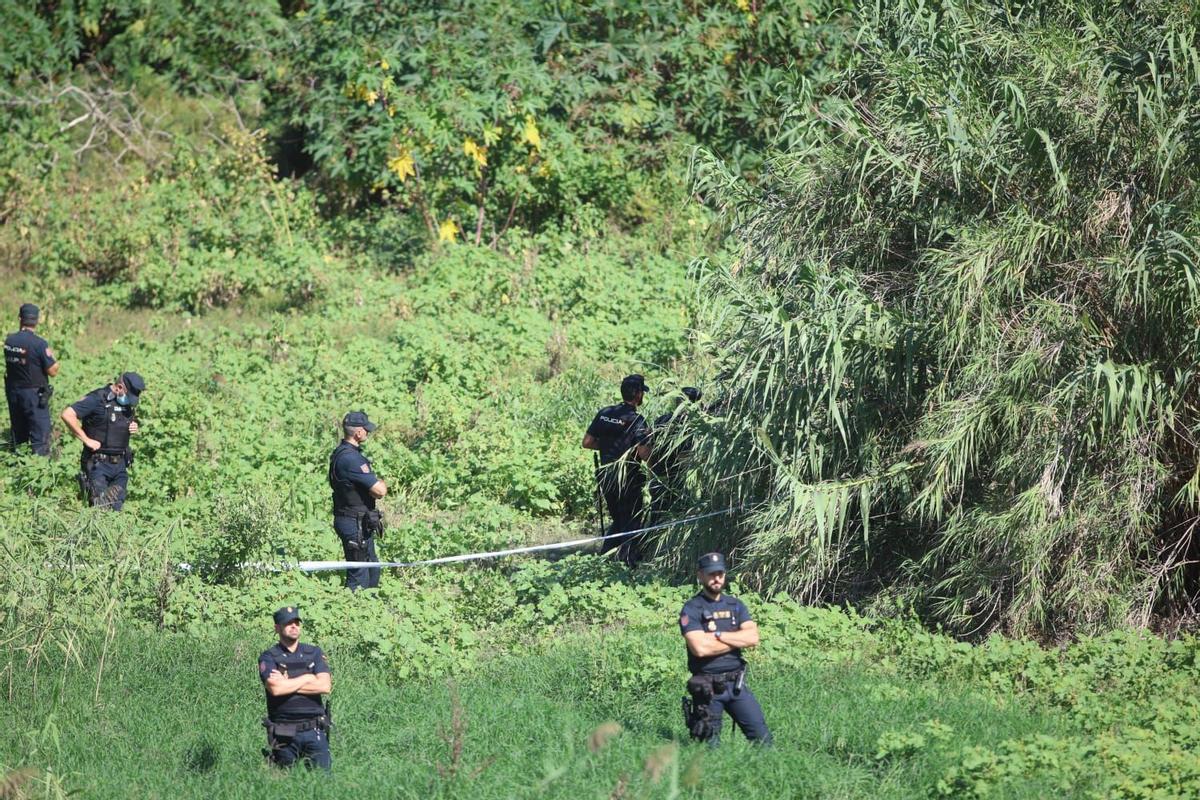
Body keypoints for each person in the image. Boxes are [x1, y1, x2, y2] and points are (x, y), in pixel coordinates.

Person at [679, 552, 772, 746]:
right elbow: (699, 648)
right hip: (707, 687)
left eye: (720, 573)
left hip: (736, 685)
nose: (716, 578)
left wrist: (718, 636)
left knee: (764, 741)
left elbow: (752, 637)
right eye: (711, 574)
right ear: (700, 575)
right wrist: (737, 639)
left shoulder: (735, 606)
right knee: (709, 748)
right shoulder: (692, 608)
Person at [582, 374, 653, 566]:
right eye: (641, 392)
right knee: (631, 520)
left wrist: (608, 446)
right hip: (627, 478)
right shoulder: (637, 420)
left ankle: (606, 559)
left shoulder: (605, 412)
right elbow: (644, 454)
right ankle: (629, 563)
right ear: (638, 394)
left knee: (618, 518)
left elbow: (587, 443)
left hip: (606, 475)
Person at [259, 606, 332, 770]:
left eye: (297, 623)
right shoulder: (269, 656)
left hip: (315, 730)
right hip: (284, 732)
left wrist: (288, 681)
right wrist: (308, 677)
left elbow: (325, 686)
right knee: (283, 788)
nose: (294, 626)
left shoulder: (313, 652)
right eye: (288, 623)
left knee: (324, 786)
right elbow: (276, 689)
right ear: (277, 628)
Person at [60, 372, 145, 510]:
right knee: (101, 508)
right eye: (128, 396)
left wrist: (132, 425)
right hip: (98, 465)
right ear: (118, 387)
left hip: (120, 466)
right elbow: (67, 414)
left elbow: (120, 420)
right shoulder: (97, 399)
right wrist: (86, 440)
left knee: (116, 508)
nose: (129, 401)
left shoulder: (126, 402)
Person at [328, 410, 387, 591]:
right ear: (358, 432)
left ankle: (369, 611)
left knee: (371, 570)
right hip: (354, 523)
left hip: (358, 521)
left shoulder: (341, 453)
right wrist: (381, 483)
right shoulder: (351, 459)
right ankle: (351, 610)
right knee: (359, 577)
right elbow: (380, 490)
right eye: (366, 430)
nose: (368, 433)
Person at [4, 303, 59, 456]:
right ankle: (40, 471)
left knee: (19, 432)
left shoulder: (10, 341)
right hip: (34, 396)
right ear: (37, 320)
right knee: (40, 435)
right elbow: (53, 370)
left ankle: (18, 463)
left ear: (20, 318)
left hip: (14, 393)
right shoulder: (39, 344)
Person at [650, 386, 702, 520]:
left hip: (657, 476)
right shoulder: (687, 426)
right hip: (676, 481)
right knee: (676, 517)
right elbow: (685, 458)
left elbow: (647, 445)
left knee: (657, 516)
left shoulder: (662, 419)